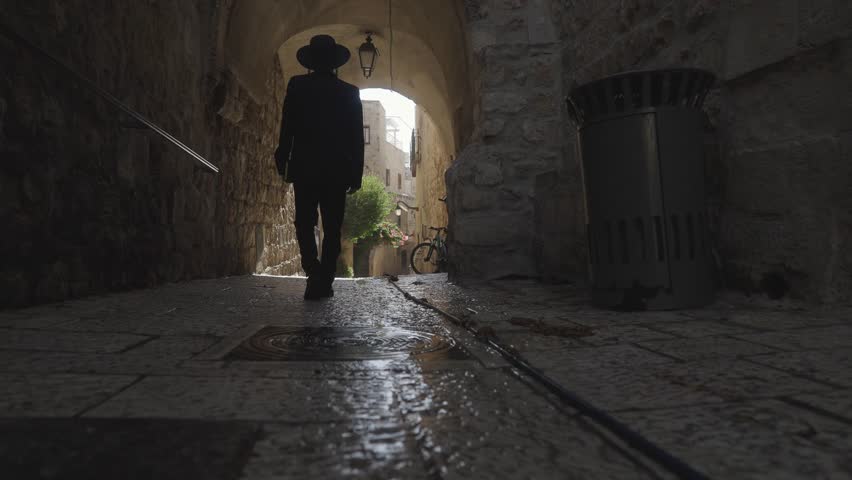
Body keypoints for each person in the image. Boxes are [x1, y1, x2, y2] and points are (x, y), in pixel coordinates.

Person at [275, 35, 365, 300]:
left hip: (305, 165)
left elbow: (287, 128)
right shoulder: (349, 92)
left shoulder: (297, 86)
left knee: (304, 222)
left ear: (310, 63)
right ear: (335, 64)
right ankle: (324, 277)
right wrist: (356, 174)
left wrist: (283, 159)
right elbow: (356, 138)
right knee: (333, 226)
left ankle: (312, 271)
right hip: (337, 169)